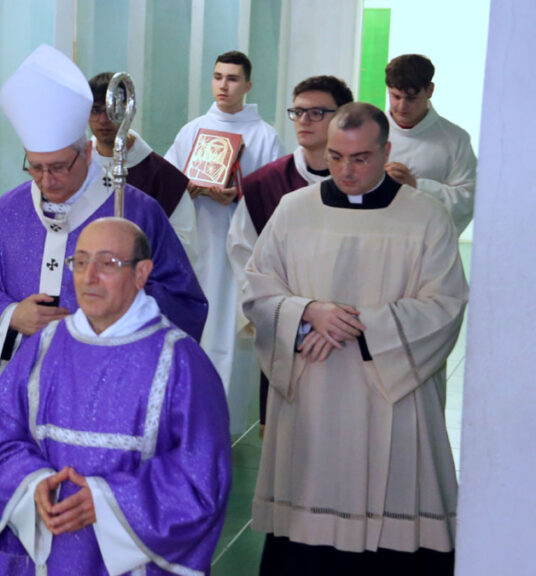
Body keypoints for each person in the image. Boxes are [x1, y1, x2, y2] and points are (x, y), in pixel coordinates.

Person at [0, 44, 208, 576]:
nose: (46, 181)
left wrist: (111, 324)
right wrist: (10, 315)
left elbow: (184, 299)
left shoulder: (133, 212)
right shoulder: (10, 212)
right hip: (30, 401)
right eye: (36, 168)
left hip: (110, 405)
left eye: (58, 167)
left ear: (88, 153)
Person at [244, 103, 467, 575]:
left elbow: (446, 304)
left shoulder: (426, 216)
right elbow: (258, 289)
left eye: (361, 158)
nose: (346, 170)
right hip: (313, 391)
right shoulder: (293, 210)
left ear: (386, 151)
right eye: (336, 156)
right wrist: (309, 313)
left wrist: (359, 325)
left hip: (392, 395)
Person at [0, 217, 231, 575]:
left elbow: (201, 478)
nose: (88, 277)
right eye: (80, 262)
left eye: (107, 263)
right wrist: (32, 483)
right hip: (52, 550)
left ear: (141, 273)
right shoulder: (42, 349)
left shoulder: (182, 363)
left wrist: (109, 502)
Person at [164, 50, 282, 434]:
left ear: (248, 85)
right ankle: (185, 418)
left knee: (228, 335)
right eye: (217, 77)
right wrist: (187, 189)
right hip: (197, 247)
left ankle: (222, 424)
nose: (223, 86)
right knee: (193, 332)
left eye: (232, 79)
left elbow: (276, 199)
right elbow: (166, 184)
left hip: (236, 254)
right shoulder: (192, 131)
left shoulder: (265, 136)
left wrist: (239, 196)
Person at [226, 75, 354, 430]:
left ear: (343, 116)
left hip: (350, 331)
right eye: (297, 112)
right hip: (289, 333)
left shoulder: (362, 184)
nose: (304, 121)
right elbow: (244, 257)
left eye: (317, 112)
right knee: (288, 439)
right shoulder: (264, 184)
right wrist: (292, 315)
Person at [87, 72, 198, 272]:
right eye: (96, 110)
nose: (104, 119)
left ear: (130, 111)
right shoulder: (77, 168)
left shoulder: (164, 177)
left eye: (114, 109)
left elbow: (185, 247)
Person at [384, 54, 477, 236]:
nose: (402, 106)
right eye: (395, 96)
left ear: (430, 90)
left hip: (428, 243)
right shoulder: (369, 132)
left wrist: (416, 187)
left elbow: (468, 199)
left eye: (411, 98)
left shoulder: (455, 139)